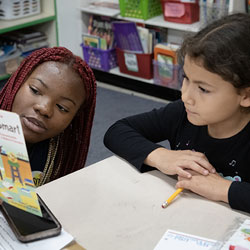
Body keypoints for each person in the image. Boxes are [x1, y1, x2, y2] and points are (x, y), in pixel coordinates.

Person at [104, 13, 250, 214]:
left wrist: (225, 189)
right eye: (186, 78)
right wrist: (161, 156)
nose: (186, 96)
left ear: (246, 96)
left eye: (204, 89)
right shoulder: (183, 112)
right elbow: (117, 131)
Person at [0, 47, 96, 186]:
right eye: (35, 90)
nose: (44, 109)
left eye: (62, 107)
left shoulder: (59, 156)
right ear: (17, 83)